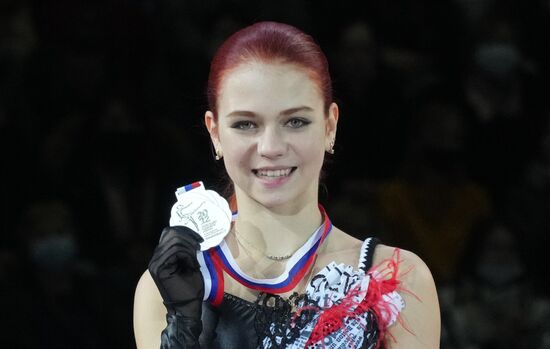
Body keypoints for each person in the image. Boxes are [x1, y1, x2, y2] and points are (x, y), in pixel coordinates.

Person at [133, 21, 440, 349]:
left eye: (295, 121)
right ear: (215, 134)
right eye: (245, 124)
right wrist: (182, 327)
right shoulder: (170, 287)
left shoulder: (397, 279)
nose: (270, 147)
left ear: (329, 127)